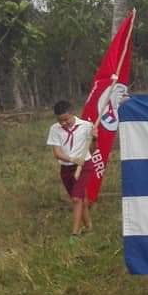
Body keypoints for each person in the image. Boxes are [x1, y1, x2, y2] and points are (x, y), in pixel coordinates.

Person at [47, 100, 96, 240]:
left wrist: (95, 139)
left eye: (66, 120)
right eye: (60, 120)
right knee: (81, 199)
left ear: (72, 113)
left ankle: (75, 233)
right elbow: (57, 153)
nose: (63, 123)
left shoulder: (87, 126)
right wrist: (73, 159)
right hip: (66, 168)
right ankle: (89, 228)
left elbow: (92, 150)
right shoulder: (55, 129)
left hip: (84, 165)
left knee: (76, 199)